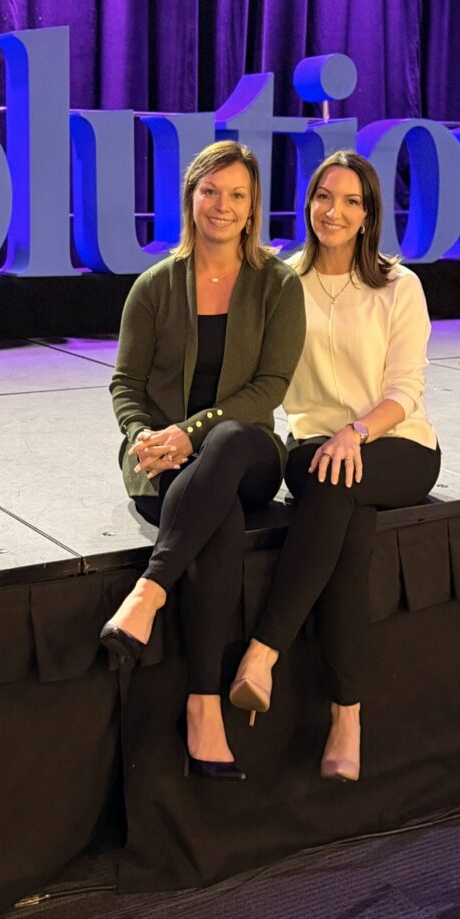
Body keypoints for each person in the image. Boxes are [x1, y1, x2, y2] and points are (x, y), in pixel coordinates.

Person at [229, 150, 440, 781]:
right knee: (336, 494)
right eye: (324, 196)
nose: (335, 211)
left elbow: (405, 390)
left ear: (369, 213)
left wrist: (357, 432)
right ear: (309, 202)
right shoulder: (282, 283)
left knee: (341, 494)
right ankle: (346, 716)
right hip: (315, 447)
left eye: (351, 201)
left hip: (398, 444)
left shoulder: (400, 286)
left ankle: (262, 654)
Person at [101, 140, 305, 781]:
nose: (222, 205)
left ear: (253, 206)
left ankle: (150, 591)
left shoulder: (278, 285)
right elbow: (126, 385)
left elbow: (270, 388)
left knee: (227, 440)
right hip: (166, 465)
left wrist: (190, 432)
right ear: (190, 197)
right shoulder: (155, 285)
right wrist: (142, 435)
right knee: (216, 520)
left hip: (247, 456)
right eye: (210, 191)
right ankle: (203, 706)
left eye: (237, 194)